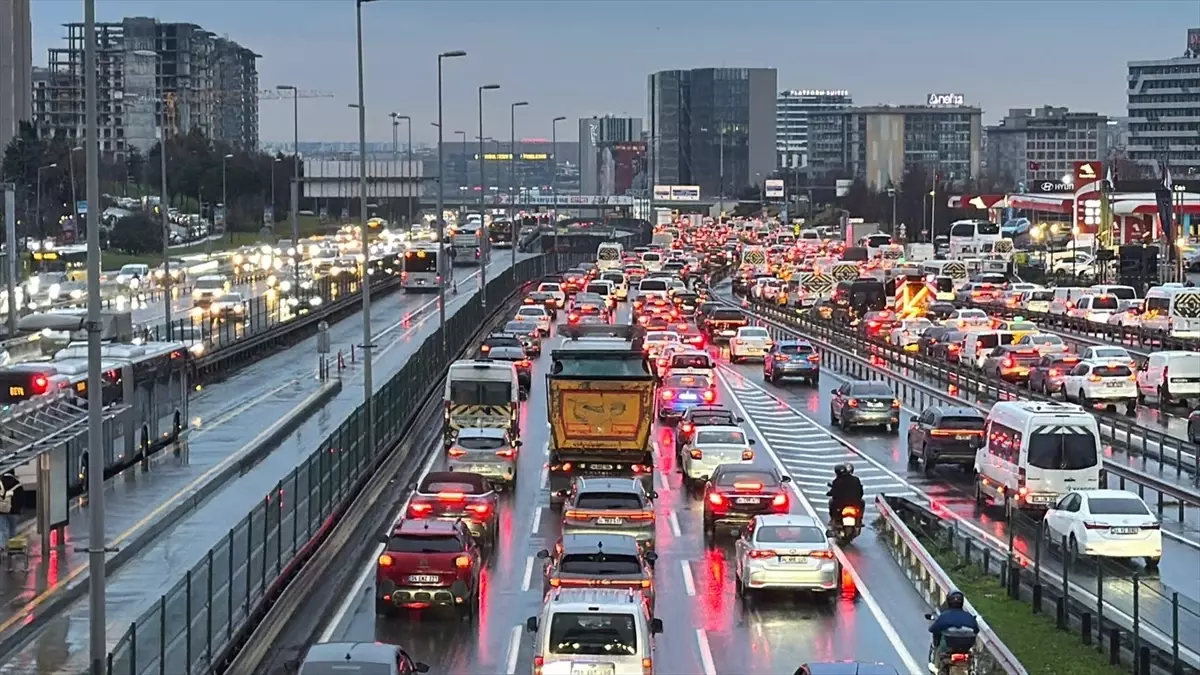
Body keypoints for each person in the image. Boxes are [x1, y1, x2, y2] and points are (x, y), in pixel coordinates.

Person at [0, 471, 22, 545]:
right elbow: (21, 498)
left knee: (2, 529)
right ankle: (12, 546)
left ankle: (2, 546)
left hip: (1, 510)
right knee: (12, 529)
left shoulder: (0, 482)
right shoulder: (17, 484)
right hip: (13, 511)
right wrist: (18, 509)